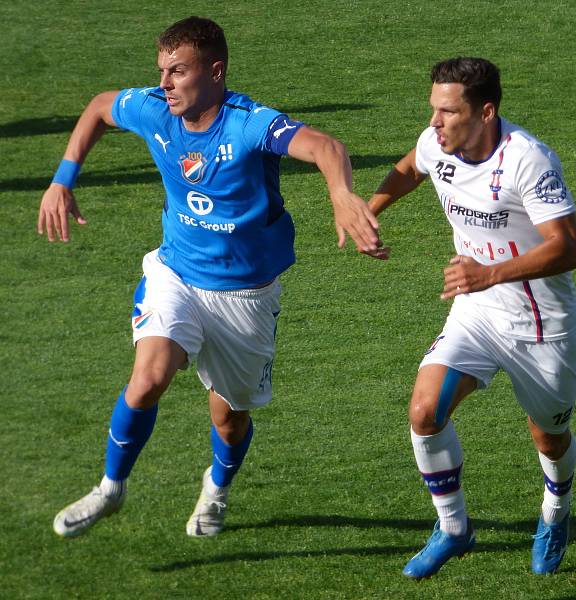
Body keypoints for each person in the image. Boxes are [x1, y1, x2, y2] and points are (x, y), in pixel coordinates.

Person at [39, 16, 385, 538]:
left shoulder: (248, 124)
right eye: (162, 70)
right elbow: (98, 106)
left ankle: (217, 488)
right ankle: (111, 487)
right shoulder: (155, 111)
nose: (165, 83)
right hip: (176, 273)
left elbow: (325, 146)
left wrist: (340, 193)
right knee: (148, 379)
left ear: (215, 71)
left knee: (229, 417)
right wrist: (63, 179)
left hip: (245, 295)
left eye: (178, 71)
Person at [367, 57, 576, 578]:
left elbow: (569, 248)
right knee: (424, 411)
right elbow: (410, 168)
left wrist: (489, 273)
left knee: (548, 437)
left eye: (448, 111)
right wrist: (370, 209)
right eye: (433, 110)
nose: (435, 123)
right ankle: (454, 528)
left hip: (541, 324)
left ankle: (555, 511)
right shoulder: (437, 143)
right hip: (477, 313)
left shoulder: (528, 160)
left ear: (486, 112)